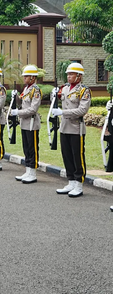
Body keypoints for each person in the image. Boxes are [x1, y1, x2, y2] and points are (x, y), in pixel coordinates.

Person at [53, 62, 91, 198]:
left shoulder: (84, 91)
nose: (68, 76)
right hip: (64, 127)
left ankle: (79, 184)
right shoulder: (64, 89)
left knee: (77, 156)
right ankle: (71, 181)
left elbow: (82, 110)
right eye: (68, 74)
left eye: (71, 74)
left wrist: (62, 112)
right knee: (66, 155)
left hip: (76, 128)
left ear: (79, 76)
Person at [10, 64, 42, 184]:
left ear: (33, 78)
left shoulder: (35, 90)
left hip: (32, 123)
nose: (24, 78)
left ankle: (33, 172)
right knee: (26, 148)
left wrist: (18, 112)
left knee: (32, 148)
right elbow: (22, 103)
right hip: (24, 123)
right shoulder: (26, 89)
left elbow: (33, 109)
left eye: (26, 76)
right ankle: (28, 170)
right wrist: (16, 97)